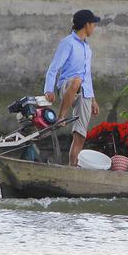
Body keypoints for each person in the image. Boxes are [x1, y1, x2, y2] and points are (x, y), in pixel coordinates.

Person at [44, 9, 101, 166]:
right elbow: (53, 68)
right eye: (93, 24)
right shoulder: (67, 43)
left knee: (80, 136)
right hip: (67, 86)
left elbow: (87, 75)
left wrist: (93, 100)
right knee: (76, 81)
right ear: (86, 25)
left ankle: (72, 169)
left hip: (84, 93)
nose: (94, 27)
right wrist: (48, 90)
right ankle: (61, 116)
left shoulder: (87, 49)